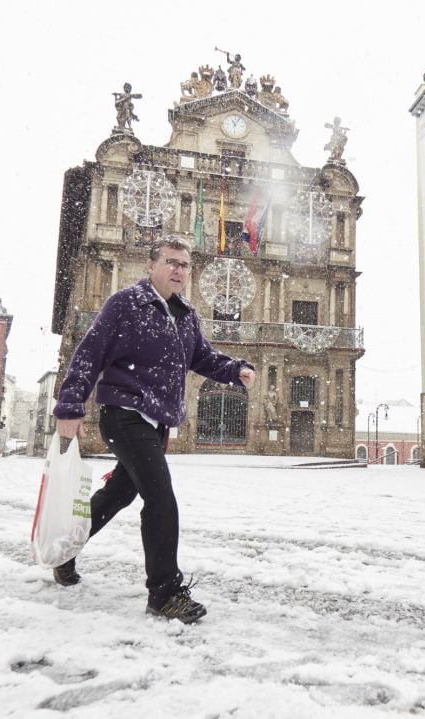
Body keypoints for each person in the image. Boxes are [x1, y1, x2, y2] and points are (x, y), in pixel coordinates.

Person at [52, 237, 256, 623]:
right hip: (124, 414)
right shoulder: (126, 304)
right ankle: (165, 592)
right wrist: (70, 405)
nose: (178, 270)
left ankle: (65, 550)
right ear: (151, 266)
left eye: (184, 265)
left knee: (118, 495)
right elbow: (89, 354)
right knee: (161, 498)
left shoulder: (186, 316)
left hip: (157, 422)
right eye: (171, 262)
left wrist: (234, 370)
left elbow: (202, 357)